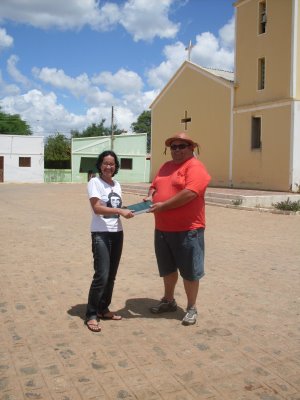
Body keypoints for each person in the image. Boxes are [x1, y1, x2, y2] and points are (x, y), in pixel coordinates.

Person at [145, 132, 211, 326]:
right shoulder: (165, 167)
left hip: (188, 230)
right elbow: (154, 186)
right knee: (167, 269)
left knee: (190, 272)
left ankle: (191, 307)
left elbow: (190, 193)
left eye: (182, 146)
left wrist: (163, 205)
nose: (177, 150)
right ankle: (168, 300)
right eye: (173, 146)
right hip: (163, 229)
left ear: (191, 148)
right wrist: (150, 196)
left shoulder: (195, 167)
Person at [85, 150, 134, 332]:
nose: (108, 167)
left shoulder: (117, 184)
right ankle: (91, 314)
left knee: (111, 276)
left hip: (117, 232)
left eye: (112, 164)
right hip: (101, 233)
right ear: (100, 165)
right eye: (105, 163)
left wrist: (135, 209)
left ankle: (103, 309)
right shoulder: (94, 183)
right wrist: (120, 212)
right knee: (102, 275)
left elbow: (116, 207)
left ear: (116, 167)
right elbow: (97, 208)